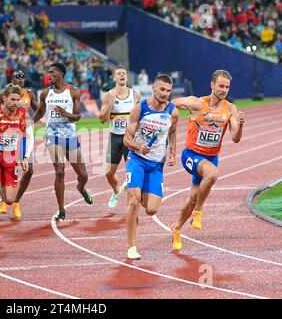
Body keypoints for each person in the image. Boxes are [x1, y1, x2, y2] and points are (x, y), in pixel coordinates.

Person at [171, 70, 245, 251]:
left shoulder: (230, 108)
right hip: (191, 155)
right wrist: (169, 112)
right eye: (221, 86)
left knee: (192, 198)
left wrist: (240, 125)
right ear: (212, 85)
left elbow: (235, 138)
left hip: (211, 157)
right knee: (212, 174)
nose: (224, 90)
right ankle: (199, 211)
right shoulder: (197, 104)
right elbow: (173, 102)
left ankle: (177, 228)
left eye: (227, 87)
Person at [123, 74, 178, 259]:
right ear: (154, 88)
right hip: (136, 159)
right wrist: (139, 146)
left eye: (168, 91)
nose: (165, 94)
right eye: (162, 89)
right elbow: (126, 138)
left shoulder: (173, 111)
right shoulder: (140, 109)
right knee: (133, 201)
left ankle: (133, 187)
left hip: (156, 166)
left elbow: (172, 133)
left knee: (151, 209)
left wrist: (172, 151)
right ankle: (131, 246)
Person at [33, 62, 93, 221]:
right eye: (48, 73)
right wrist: (27, 123)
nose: (49, 75)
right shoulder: (45, 93)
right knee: (59, 170)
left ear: (61, 74)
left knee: (83, 174)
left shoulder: (73, 92)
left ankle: (81, 187)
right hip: (52, 135)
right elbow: (39, 112)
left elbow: (78, 116)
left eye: (52, 73)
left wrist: (65, 113)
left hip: (70, 136)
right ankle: (61, 210)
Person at [0, 84, 34, 243]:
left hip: (11, 161)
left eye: (18, 99)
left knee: (9, 200)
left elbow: (30, 137)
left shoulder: (24, 115)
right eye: (13, 99)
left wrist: (25, 157)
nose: (16, 102)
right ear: (5, 99)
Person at [98, 66, 141, 209]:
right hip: (115, 137)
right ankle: (116, 190)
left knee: (131, 172)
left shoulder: (135, 95)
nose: (122, 75)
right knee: (109, 173)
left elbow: (141, 116)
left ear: (127, 78)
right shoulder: (108, 95)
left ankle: (130, 204)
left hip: (130, 138)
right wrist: (110, 104)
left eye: (124, 73)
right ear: (114, 78)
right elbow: (102, 119)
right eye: (118, 73)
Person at [0, 70, 38, 219]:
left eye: (22, 77)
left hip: (23, 136)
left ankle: (16, 202)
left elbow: (39, 109)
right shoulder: (4, 95)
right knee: (2, 168)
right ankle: (3, 200)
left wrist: (30, 121)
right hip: (7, 136)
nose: (21, 79)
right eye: (17, 77)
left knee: (29, 170)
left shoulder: (29, 94)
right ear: (12, 79)